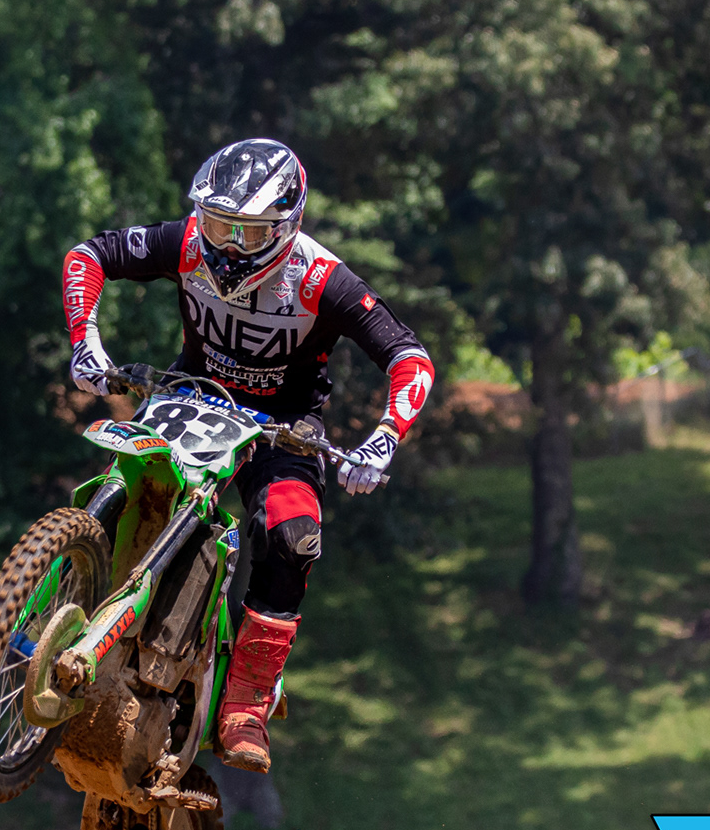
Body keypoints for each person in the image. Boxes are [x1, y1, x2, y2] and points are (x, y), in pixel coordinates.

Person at [60, 139, 435, 773]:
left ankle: (246, 703)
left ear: (287, 227)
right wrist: (85, 340)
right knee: (125, 481)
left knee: (293, 535)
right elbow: (88, 254)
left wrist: (384, 437)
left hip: (282, 427)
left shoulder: (321, 278)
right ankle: (63, 600)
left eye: (251, 232)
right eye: (217, 225)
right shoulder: (185, 243)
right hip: (190, 396)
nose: (230, 247)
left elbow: (409, 357)